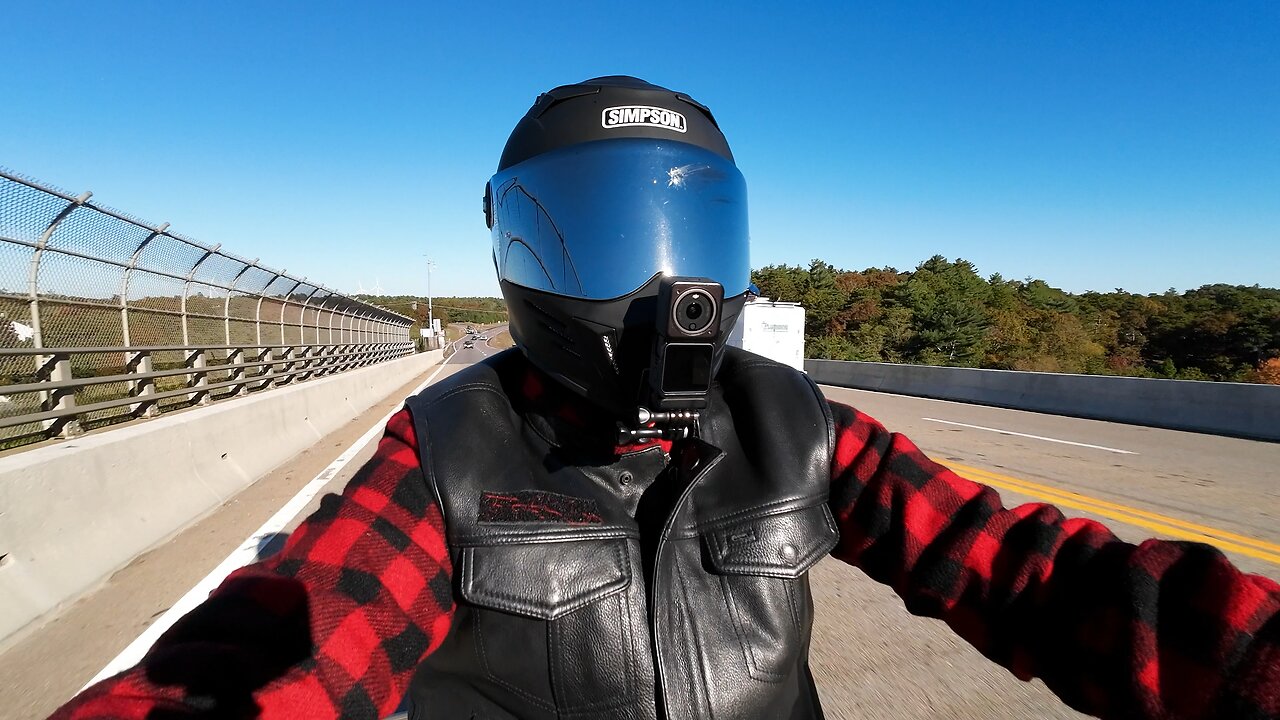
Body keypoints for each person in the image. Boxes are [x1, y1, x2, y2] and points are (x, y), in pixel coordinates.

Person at [54, 76, 1278, 720]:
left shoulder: (792, 423)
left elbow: (1034, 572)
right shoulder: (442, 450)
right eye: (604, 237)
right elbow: (299, 638)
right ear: (520, 258)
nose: (667, 288)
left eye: (692, 231)